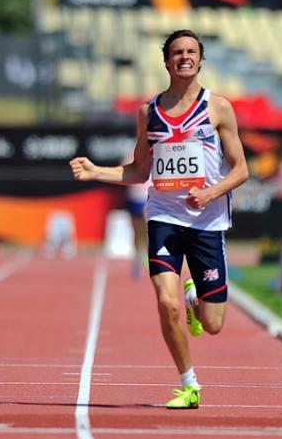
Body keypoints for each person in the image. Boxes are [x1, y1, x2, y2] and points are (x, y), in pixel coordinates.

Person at [70, 29, 248, 409]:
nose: (184, 57)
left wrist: (211, 192)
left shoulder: (218, 108)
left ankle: (193, 297)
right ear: (166, 61)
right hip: (164, 217)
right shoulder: (148, 112)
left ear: (201, 61)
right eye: (177, 52)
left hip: (207, 223)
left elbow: (241, 169)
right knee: (164, 303)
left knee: (213, 324)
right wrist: (96, 171)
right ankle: (189, 384)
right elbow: (139, 170)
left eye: (191, 52)